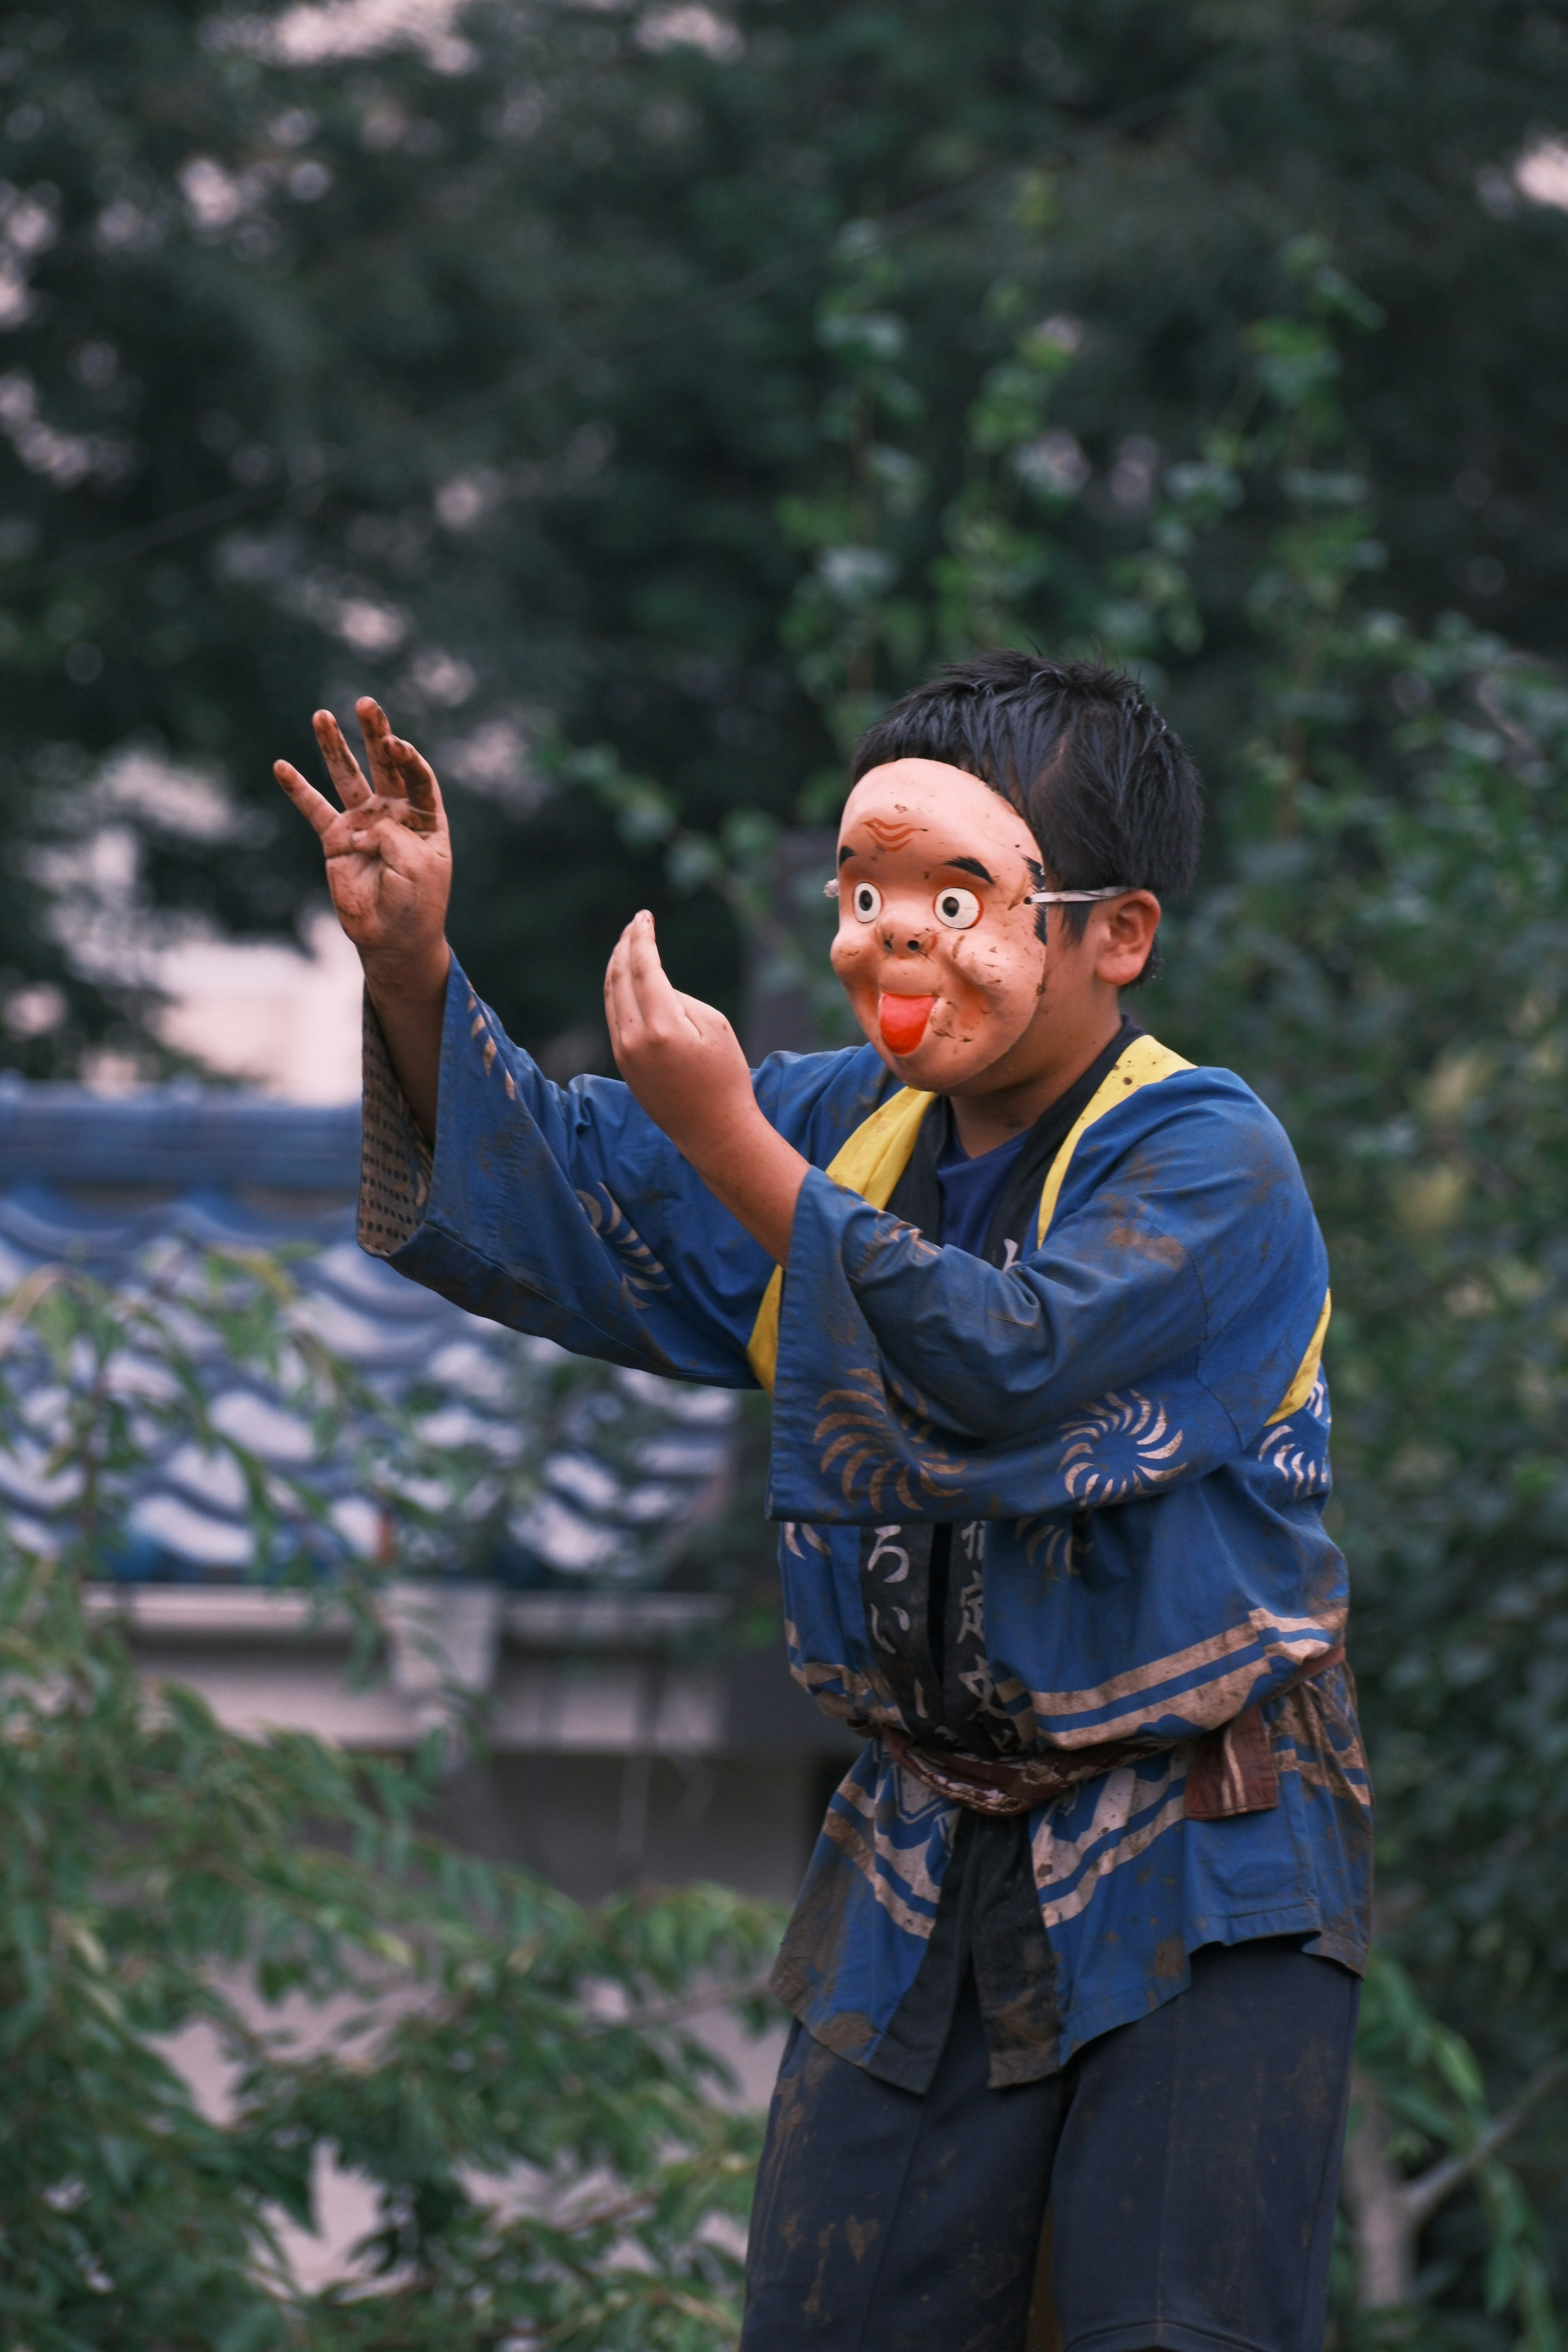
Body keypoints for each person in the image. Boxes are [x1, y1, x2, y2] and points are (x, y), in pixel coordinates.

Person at [276, 652, 1372, 2352]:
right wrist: (415, 965)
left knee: (1176, 2328)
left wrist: (734, 1147)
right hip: (928, 1838)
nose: (892, 937)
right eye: (868, 894)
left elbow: (1011, 1370)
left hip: (1203, 1850)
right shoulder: (849, 1126)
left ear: (1116, 934)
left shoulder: (1211, 1158)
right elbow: (583, 1193)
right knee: (829, 2320)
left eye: (955, 895)